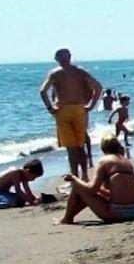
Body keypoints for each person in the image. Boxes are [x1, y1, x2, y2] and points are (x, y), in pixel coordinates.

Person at [39, 48, 102, 181]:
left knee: (71, 148)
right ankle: (84, 176)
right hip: (79, 109)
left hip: (63, 110)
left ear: (56, 59)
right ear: (69, 56)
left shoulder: (55, 73)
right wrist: (91, 105)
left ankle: (75, 177)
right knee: (80, 146)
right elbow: (98, 87)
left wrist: (50, 108)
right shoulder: (80, 71)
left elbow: (43, 91)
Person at [57, 134, 134, 224]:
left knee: (78, 187)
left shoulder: (104, 161)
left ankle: (66, 218)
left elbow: (91, 190)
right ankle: (69, 217)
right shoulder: (127, 162)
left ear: (103, 148)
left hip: (118, 212)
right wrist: (96, 188)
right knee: (88, 188)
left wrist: (74, 178)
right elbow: (118, 192)